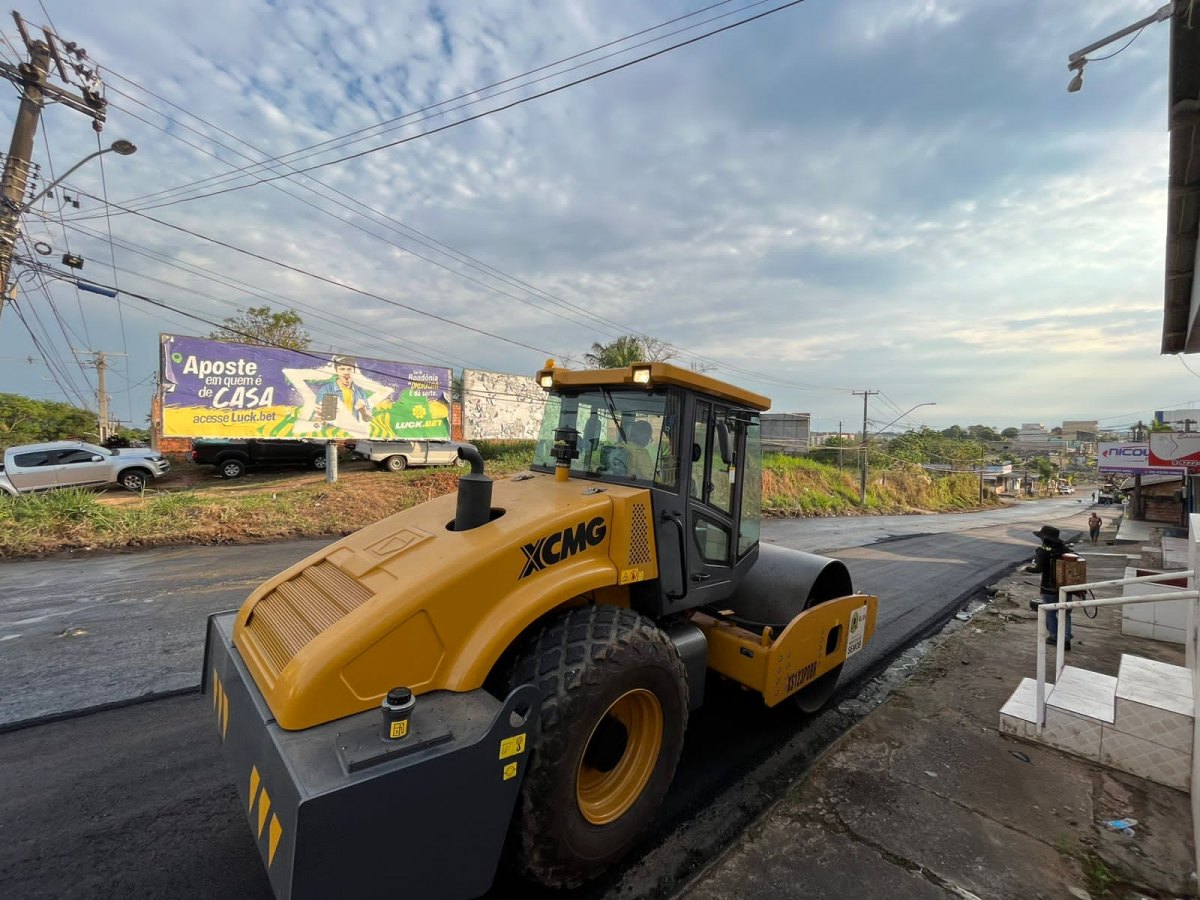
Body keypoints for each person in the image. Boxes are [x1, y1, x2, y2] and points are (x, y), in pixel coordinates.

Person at [1027, 524, 1073, 650]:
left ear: (1044, 538)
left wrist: (1026, 569)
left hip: (1049, 588)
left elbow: (1038, 568)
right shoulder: (1066, 550)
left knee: (1051, 612)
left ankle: (1054, 637)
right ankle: (1066, 639)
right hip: (1066, 588)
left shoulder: (1043, 551)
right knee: (1065, 613)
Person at [313, 355, 372, 425]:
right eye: (342, 369)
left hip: (353, 430)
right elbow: (319, 419)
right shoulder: (326, 390)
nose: (346, 372)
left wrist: (363, 411)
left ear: (354, 371)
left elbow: (368, 419)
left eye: (349, 369)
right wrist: (321, 419)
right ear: (336, 371)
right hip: (335, 430)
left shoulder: (360, 391)